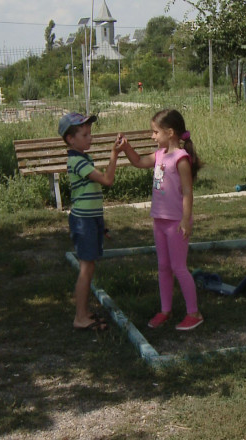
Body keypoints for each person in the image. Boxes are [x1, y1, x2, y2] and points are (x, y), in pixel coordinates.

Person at [116, 109, 204, 331]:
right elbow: (137, 162)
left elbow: (187, 192)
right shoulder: (159, 154)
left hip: (176, 222)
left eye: (155, 132)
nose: (152, 136)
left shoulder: (181, 159)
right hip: (160, 220)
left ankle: (194, 313)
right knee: (163, 266)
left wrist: (186, 220)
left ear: (170, 132)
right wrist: (126, 148)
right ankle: (166, 310)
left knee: (178, 267)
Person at [59, 112, 120, 331]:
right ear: (70, 140)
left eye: (90, 133)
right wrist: (114, 154)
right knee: (86, 268)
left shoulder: (84, 158)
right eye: (85, 134)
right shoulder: (76, 161)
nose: (90, 138)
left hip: (90, 220)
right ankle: (80, 317)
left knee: (89, 267)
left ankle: (84, 313)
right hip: (83, 222)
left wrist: (101, 225)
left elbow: (92, 197)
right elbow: (107, 180)